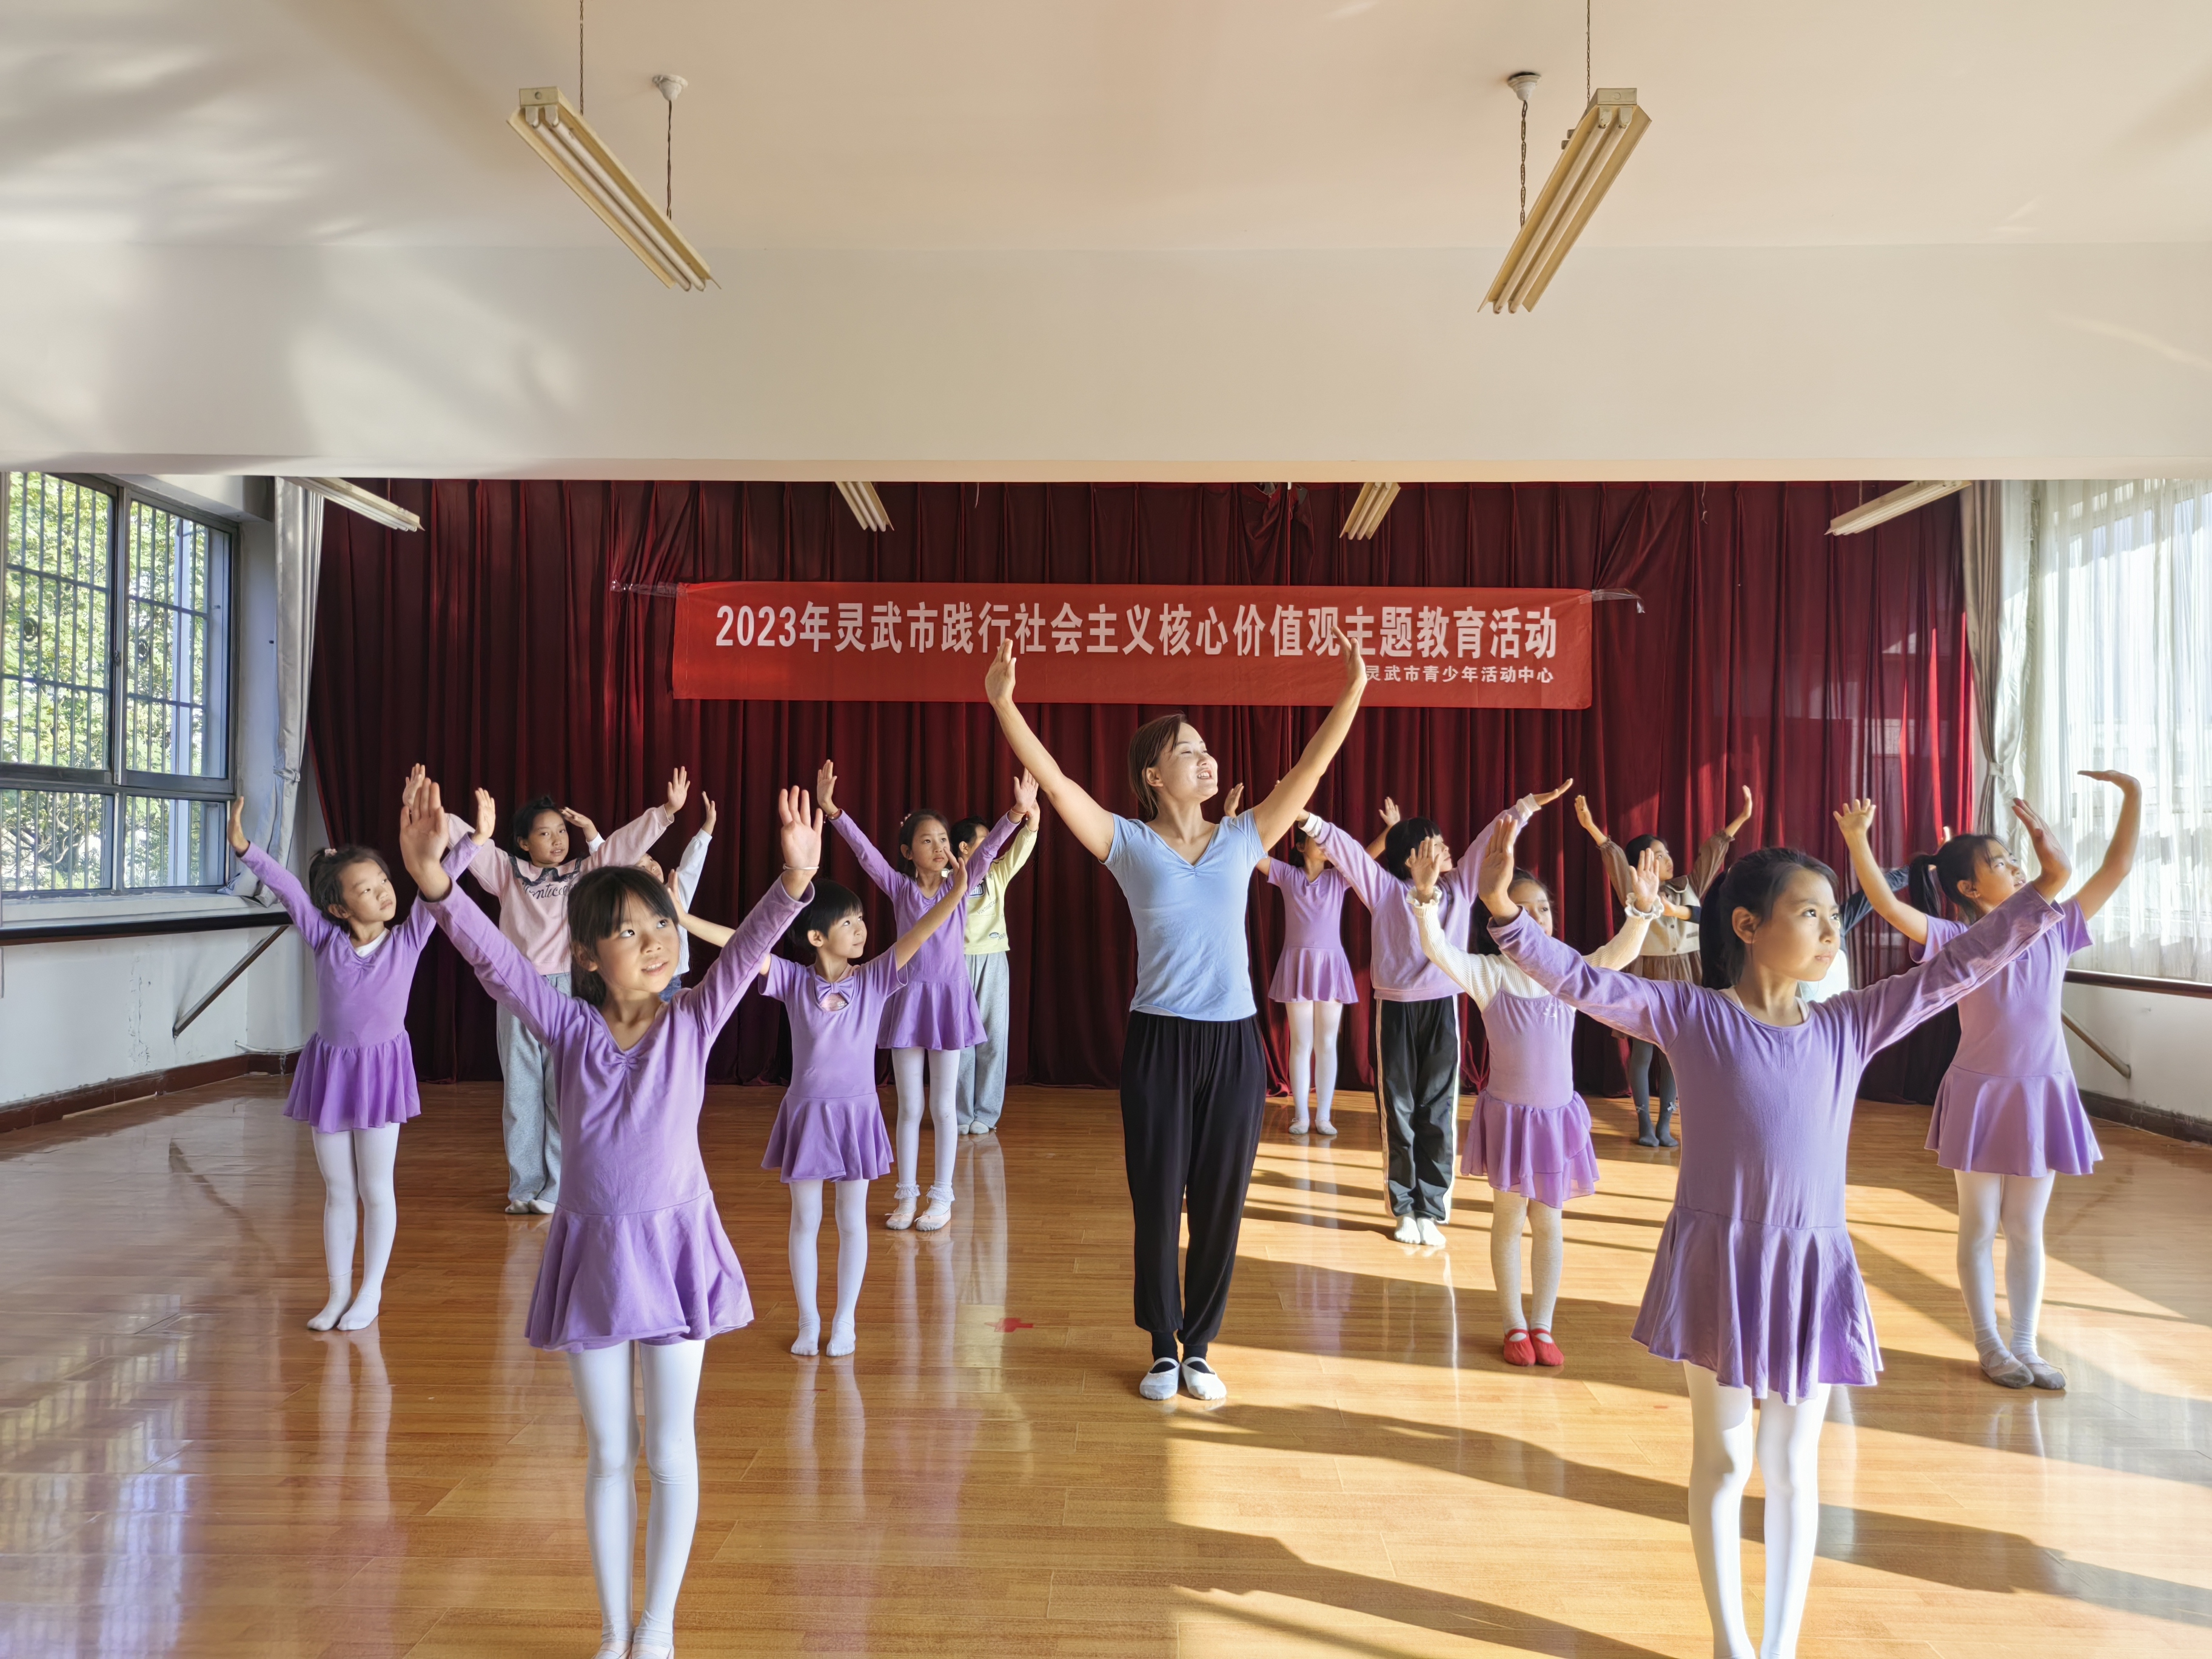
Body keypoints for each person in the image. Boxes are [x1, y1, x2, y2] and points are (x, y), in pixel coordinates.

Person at [1478, 797, 2071, 1659]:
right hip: (1716, 1259)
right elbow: (1585, 982)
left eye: (1833, 916)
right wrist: (1503, 912)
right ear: (1749, 925)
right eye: (1810, 913)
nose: (1832, 931)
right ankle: (1731, 1641)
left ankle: (1780, 1647)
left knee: (1793, 1467)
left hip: (1810, 1267)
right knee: (1723, 1461)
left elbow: (1958, 967)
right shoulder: (1693, 1015)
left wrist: (2044, 892)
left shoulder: (1849, 1022)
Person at [401, 774, 820, 1659]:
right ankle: (611, 1627)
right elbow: (496, 961)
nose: (656, 941)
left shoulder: (693, 1020)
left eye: (661, 924)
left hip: (675, 1252)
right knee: (608, 1453)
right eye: (629, 931)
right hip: (592, 1258)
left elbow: (747, 950)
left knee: (670, 1451)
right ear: (588, 956)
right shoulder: (567, 1026)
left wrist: (793, 883)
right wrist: (435, 884)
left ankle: (657, 1625)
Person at [982, 626, 1369, 1402]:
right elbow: (1056, 783)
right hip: (1158, 1039)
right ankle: (1163, 1345)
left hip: (1233, 1043)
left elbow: (1311, 768)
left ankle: (1202, 1347)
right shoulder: (1127, 842)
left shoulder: (1246, 835)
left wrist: (1353, 690)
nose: (1206, 759)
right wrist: (1003, 704)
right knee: (1158, 1199)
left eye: (1206, 750)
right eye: (1188, 752)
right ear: (1154, 776)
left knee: (1222, 1201)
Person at [1836, 774, 2140, 1390]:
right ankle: (1990, 1344)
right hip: (1980, 1093)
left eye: (2012, 857)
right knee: (1978, 1226)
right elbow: (1889, 907)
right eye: (2001, 862)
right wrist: (1858, 841)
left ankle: (2025, 1343)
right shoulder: (1957, 940)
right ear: (1970, 889)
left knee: (2026, 1228)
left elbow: (2117, 867)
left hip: (2043, 1093)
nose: (2016, 865)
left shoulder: (2055, 926)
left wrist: (2132, 795)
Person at [1407, 795, 1664, 1366]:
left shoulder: (1568, 973)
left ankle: (1543, 1326)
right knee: (1509, 1220)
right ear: (1499, 922)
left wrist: (1642, 911)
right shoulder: (1488, 974)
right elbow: (1437, 950)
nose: (1537, 919)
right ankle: (1514, 1325)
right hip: (1510, 1117)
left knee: (1549, 1222)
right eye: (1522, 909)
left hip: (1556, 1119)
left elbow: (1618, 955)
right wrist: (1425, 899)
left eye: (1543, 909)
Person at [682, 865, 972, 1358]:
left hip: (857, 1118)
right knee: (805, 1220)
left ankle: (844, 1321)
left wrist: (956, 894)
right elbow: (743, 946)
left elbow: (922, 931)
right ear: (817, 937)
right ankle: (808, 1319)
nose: (861, 928)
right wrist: (683, 919)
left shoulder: (877, 977)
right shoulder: (793, 979)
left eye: (861, 919)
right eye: (848, 922)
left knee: (852, 1221)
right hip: (807, 1117)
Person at [226, 774, 480, 1330]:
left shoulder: (409, 936)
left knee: (375, 1188)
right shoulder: (324, 939)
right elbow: (290, 890)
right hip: (332, 1073)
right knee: (339, 1190)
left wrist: (474, 842)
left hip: (381, 1074)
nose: (384, 891)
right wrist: (247, 850)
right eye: (366, 889)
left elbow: (440, 883)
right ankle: (338, 1292)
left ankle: (371, 1293)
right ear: (339, 908)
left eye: (383, 880)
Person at [1306, 780, 1578, 1244]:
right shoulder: (1385, 890)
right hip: (1395, 1011)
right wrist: (1309, 820)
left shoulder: (1460, 888)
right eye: (1436, 844)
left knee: (1438, 1108)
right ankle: (1403, 1208)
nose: (1447, 850)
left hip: (1442, 1009)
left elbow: (1491, 838)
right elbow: (1348, 852)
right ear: (1412, 857)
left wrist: (1526, 807)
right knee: (1398, 1110)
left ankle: (1430, 1208)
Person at [447, 775, 686, 1213]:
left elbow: (621, 846)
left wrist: (665, 813)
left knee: (564, 1091)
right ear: (524, 842)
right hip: (518, 990)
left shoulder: (583, 872)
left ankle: (558, 1188)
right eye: (545, 833)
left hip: (569, 991)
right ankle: (525, 1188)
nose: (557, 840)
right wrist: (434, 815)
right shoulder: (508, 872)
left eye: (561, 831)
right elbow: (470, 842)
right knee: (520, 1093)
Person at [816, 766, 1034, 1232]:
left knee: (943, 1108)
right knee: (911, 1108)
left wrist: (1015, 814)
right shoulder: (900, 887)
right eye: (927, 840)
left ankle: (942, 1197)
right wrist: (834, 812)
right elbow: (865, 853)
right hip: (908, 1003)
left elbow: (990, 849)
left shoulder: (962, 882)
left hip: (949, 1003)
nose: (938, 847)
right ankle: (907, 1195)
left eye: (943, 840)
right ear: (907, 852)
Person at [1571, 786, 1754, 1145]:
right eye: (1658, 855)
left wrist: (1742, 819)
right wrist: (1592, 828)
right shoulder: (1634, 887)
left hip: (1687, 974)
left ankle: (1665, 1124)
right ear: (1641, 862)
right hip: (1647, 975)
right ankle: (1644, 1124)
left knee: (1675, 1053)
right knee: (1643, 1051)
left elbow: (1713, 852)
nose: (1668, 859)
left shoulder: (1690, 885)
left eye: (1668, 853)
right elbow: (1614, 860)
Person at [1255, 825, 1358, 1136]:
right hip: (1297, 965)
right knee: (1301, 1042)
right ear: (1301, 847)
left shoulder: (1339, 878)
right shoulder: (1288, 875)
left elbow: (1363, 858)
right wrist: (1232, 818)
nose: (1324, 844)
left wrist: (1391, 830)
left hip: (1330, 967)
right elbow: (1253, 854)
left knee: (1326, 1043)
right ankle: (1300, 1115)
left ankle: (1323, 1115)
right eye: (1317, 839)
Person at [952, 795, 1042, 1136]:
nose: (993, 846)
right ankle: (960, 1113)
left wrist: (1032, 821)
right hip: (955, 963)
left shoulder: (996, 873)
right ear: (963, 847)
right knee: (960, 1041)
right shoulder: (946, 877)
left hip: (992, 959)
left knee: (993, 1036)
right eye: (985, 840)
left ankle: (987, 1113)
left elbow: (1019, 851)